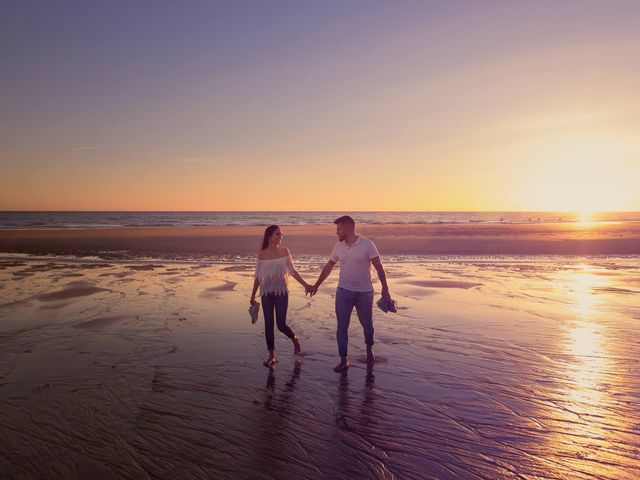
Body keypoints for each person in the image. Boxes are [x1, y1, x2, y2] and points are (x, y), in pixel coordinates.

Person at [307, 216, 391, 372]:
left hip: (365, 293)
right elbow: (329, 266)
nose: (336, 233)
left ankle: (369, 349)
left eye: (338, 229)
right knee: (341, 327)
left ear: (347, 229)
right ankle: (343, 360)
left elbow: (379, 267)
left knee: (367, 325)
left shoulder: (367, 244)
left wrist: (385, 288)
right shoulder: (338, 246)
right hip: (343, 292)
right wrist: (316, 285)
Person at [251, 225, 309, 368]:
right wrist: (252, 296)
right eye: (277, 234)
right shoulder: (262, 254)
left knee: (281, 324)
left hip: (281, 292)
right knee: (268, 325)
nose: (280, 237)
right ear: (269, 237)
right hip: (266, 294)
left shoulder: (284, 251)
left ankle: (294, 338)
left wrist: (306, 285)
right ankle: (271, 356)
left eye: (281, 235)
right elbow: (257, 277)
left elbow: (293, 272)